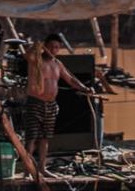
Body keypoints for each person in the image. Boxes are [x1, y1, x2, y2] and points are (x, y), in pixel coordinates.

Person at [23, 32, 95, 177]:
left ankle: (42, 168)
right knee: (32, 137)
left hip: (50, 104)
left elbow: (71, 79)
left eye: (57, 47)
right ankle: (27, 170)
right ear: (45, 46)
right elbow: (27, 54)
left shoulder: (57, 63)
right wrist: (35, 46)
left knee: (45, 138)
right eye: (51, 46)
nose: (54, 49)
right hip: (35, 102)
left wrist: (85, 88)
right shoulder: (36, 60)